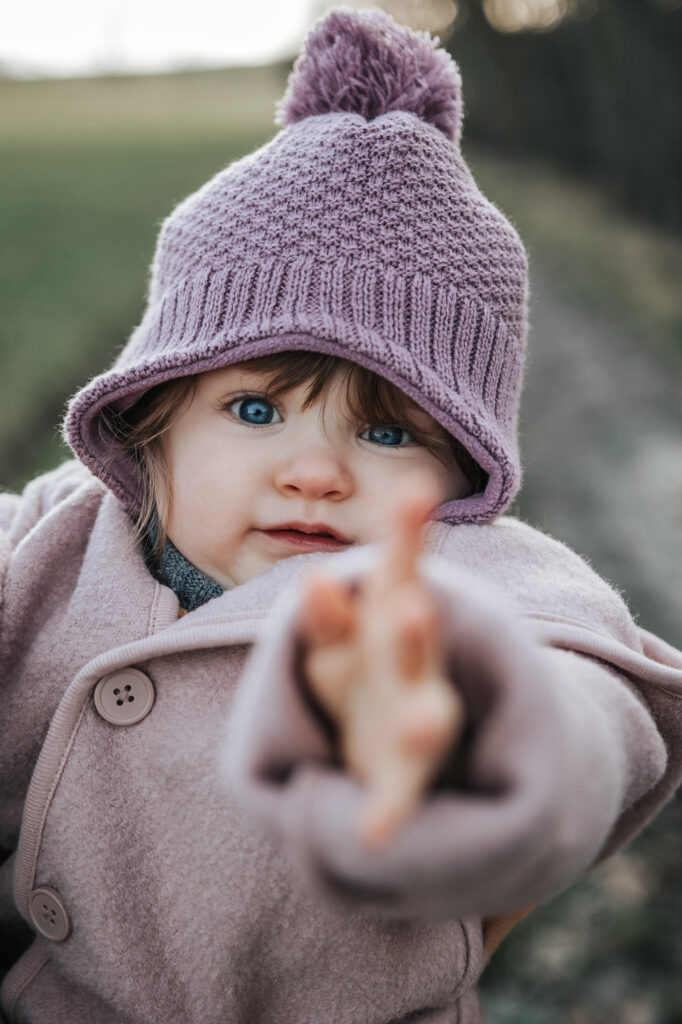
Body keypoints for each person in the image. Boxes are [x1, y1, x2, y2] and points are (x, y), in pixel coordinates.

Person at [1, 7, 681, 1023]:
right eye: (255, 408)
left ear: (462, 471)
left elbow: (591, 717)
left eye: (389, 432)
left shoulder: (475, 590)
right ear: (154, 415)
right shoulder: (55, 538)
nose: (314, 471)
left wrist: (470, 740)